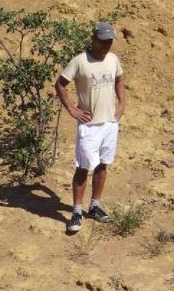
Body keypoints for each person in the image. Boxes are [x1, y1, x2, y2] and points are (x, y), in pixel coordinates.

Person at [55, 21, 125, 233]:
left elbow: (119, 80)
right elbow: (60, 84)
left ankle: (94, 206)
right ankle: (77, 211)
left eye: (110, 42)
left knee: (103, 165)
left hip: (110, 123)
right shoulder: (79, 61)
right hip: (89, 126)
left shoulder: (113, 59)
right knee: (83, 167)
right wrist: (72, 109)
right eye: (103, 42)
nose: (106, 46)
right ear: (93, 40)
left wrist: (122, 104)